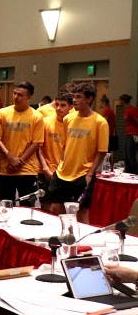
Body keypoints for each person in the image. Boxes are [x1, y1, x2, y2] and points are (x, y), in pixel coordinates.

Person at [46, 82, 109, 217]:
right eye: (74, 96)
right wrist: (60, 164)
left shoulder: (100, 122)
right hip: (62, 172)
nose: (74, 100)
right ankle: (61, 236)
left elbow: (101, 152)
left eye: (79, 97)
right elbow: (65, 144)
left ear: (89, 99)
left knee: (80, 213)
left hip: (82, 174)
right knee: (55, 209)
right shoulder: (68, 118)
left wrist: (89, 174)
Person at [0, 81, 44, 203]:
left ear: (29, 97)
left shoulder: (36, 116)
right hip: (4, 169)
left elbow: (36, 143)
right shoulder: (2, 113)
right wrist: (10, 157)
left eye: (20, 95)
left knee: (26, 208)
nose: (16, 97)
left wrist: (19, 161)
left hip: (27, 170)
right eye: (14, 93)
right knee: (6, 206)